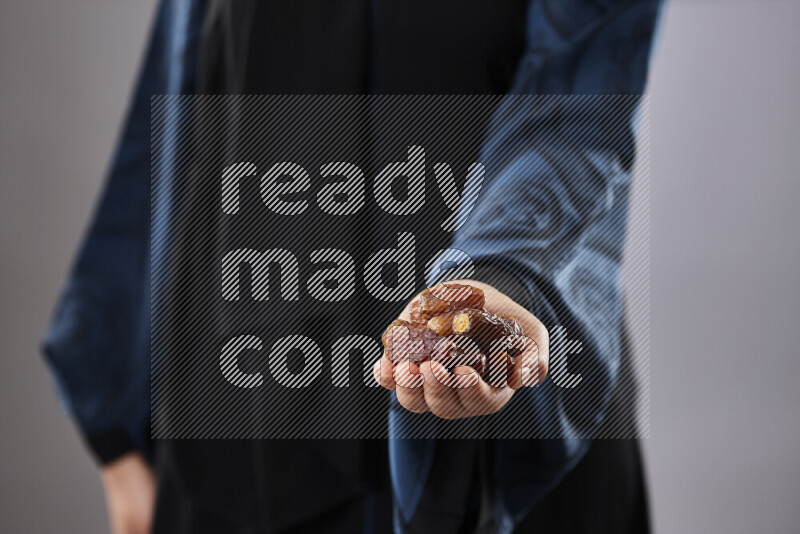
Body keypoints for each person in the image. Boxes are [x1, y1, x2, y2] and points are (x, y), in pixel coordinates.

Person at [43, 1, 663, 532]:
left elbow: (582, 87)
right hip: (239, 423)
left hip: (507, 396)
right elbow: (188, 69)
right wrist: (122, 410)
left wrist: (497, 278)